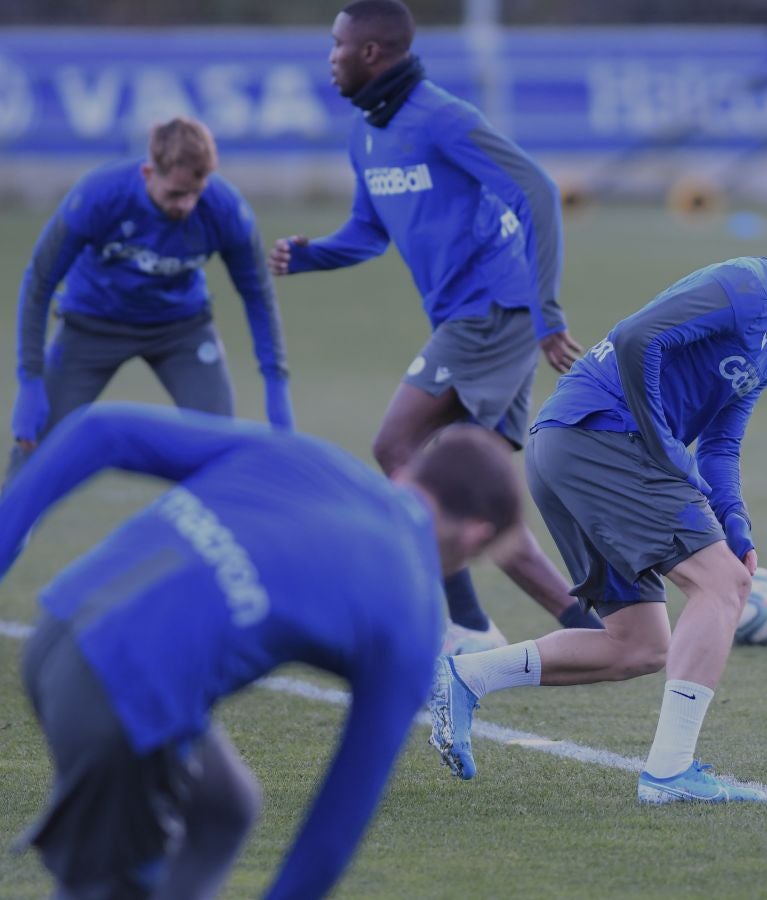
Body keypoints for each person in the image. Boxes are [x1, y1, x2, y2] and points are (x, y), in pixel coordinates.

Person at [428, 208, 767, 803]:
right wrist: (664, 447)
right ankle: (668, 775)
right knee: (721, 588)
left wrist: (736, 526)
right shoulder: (746, 285)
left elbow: (721, 443)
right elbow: (638, 338)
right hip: (596, 437)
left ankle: (465, 676)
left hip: (574, 446)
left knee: (639, 646)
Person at [2, 402, 522, 898]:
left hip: (62, 624)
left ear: (412, 474)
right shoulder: (413, 611)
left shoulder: (309, 457)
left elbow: (101, 427)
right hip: (117, 701)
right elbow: (337, 822)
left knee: (224, 807)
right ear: (477, 535)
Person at [267, 0, 599, 653]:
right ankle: (594, 630)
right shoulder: (365, 132)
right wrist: (312, 257)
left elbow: (536, 189)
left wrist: (546, 309)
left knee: (396, 446)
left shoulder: (441, 118)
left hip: (493, 311)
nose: (328, 57)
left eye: (336, 45)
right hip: (465, 318)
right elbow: (367, 232)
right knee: (469, 491)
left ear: (370, 53)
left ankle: (466, 626)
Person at [9, 117, 292, 480]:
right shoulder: (99, 196)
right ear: (147, 172)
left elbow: (257, 294)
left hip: (181, 331)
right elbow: (39, 281)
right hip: (91, 326)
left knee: (216, 451)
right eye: (176, 194)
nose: (187, 205)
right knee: (33, 447)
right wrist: (30, 380)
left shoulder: (226, 211)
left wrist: (276, 385)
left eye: (196, 192)